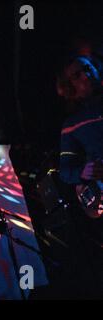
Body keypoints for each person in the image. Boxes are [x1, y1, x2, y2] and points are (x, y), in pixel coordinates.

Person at [56, 54, 103, 297]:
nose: (86, 74)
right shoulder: (72, 124)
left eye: (87, 67)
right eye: (77, 74)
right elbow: (65, 171)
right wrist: (82, 173)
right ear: (69, 87)